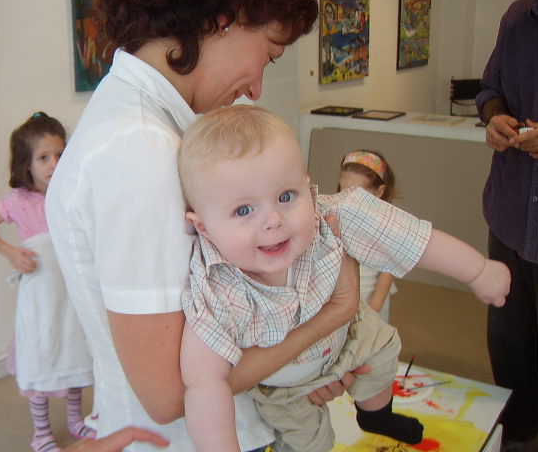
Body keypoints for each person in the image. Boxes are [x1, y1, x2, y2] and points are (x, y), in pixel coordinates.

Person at [46, 0, 362, 450]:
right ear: (225, 17)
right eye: (269, 55)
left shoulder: (140, 123)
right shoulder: (141, 150)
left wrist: (303, 368)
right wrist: (333, 314)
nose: (256, 88)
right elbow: (170, 393)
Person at [177, 105, 510, 452]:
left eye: (286, 196)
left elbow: (413, 239)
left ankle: (376, 416)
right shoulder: (216, 288)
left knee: (384, 347)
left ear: (309, 188)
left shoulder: (334, 216)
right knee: (311, 444)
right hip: (284, 390)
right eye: (243, 210)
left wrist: (478, 270)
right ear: (204, 228)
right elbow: (204, 386)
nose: (273, 220)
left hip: (350, 336)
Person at [0, 113, 95, 452]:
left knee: (75, 351)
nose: (54, 164)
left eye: (60, 154)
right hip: (41, 296)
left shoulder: (70, 193)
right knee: (41, 356)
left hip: (71, 292)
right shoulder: (17, 201)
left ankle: (75, 419)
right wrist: (11, 253)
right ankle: (41, 433)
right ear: (26, 165)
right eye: (44, 158)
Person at [476, 0, 538, 451]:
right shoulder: (518, 17)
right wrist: (494, 118)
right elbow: (489, 91)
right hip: (509, 219)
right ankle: (519, 439)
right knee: (509, 356)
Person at [337, 150, 397, 322]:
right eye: (343, 190)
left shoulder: (385, 225)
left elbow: (387, 273)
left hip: (368, 302)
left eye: (357, 194)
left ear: (379, 192)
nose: (348, 199)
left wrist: (372, 311)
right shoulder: (337, 215)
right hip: (341, 299)